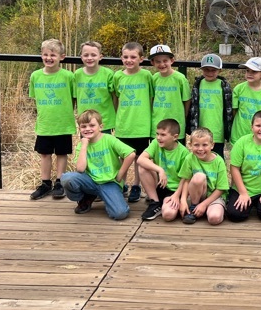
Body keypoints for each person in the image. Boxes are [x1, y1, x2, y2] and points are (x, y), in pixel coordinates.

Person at [60, 109, 135, 220]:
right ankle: (85, 197)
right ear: (79, 129)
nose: (88, 129)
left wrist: (120, 175)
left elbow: (130, 154)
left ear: (100, 126)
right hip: (90, 181)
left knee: (120, 214)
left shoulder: (109, 139)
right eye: (83, 126)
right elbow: (80, 169)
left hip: (109, 182)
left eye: (92, 125)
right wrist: (84, 146)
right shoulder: (82, 145)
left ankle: (110, 197)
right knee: (67, 178)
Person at [29, 38, 76, 200]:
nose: (49, 58)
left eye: (53, 55)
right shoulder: (35, 76)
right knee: (44, 154)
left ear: (61, 57)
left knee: (62, 153)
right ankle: (45, 183)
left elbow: (74, 97)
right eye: (45, 54)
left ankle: (59, 182)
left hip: (63, 123)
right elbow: (34, 98)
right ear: (41, 55)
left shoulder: (68, 76)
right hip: (44, 123)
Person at [113, 42, 153, 204]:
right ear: (121, 57)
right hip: (124, 125)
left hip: (142, 125)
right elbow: (115, 98)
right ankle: (122, 184)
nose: (129, 60)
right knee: (123, 157)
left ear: (141, 59)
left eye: (133, 57)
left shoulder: (146, 76)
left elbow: (151, 98)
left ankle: (136, 185)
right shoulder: (118, 76)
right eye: (125, 57)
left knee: (139, 158)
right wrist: (120, 116)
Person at [137, 119, 190, 221]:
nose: (158, 138)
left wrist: (177, 195)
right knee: (143, 166)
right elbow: (140, 159)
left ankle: (167, 205)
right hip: (160, 184)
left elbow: (185, 178)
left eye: (163, 135)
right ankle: (155, 202)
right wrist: (160, 170)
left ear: (175, 137)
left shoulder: (184, 153)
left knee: (168, 215)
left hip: (174, 190)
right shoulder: (155, 143)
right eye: (157, 134)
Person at [178, 127, 229, 225]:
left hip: (215, 196)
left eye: (205, 145)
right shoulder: (189, 158)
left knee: (214, 218)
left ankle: (208, 209)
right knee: (199, 177)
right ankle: (194, 207)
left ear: (212, 145)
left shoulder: (219, 161)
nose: (200, 149)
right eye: (196, 145)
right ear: (190, 145)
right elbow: (186, 180)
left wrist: (204, 204)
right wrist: (183, 200)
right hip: (198, 195)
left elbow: (221, 188)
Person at [188, 53, 232, 159]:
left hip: (217, 131)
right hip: (200, 129)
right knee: (199, 157)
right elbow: (193, 106)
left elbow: (229, 109)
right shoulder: (198, 84)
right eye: (206, 69)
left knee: (217, 158)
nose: (210, 73)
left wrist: (228, 128)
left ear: (219, 70)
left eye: (213, 70)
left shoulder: (223, 86)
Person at [149, 44, 190, 145]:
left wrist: (183, 116)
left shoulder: (180, 78)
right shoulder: (154, 78)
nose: (162, 64)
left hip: (175, 123)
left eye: (165, 61)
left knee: (176, 153)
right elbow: (152, 98)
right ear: (152, 62)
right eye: (158, 61)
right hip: (157, 122)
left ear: (172, 60)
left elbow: (187, 100)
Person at [230, 57, 261, 145]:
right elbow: (234, 111)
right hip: (239, 133)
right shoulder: (239, 89)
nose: (249, 74)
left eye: (254, 71)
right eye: (247, 71)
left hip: (259, 134)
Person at [75, 41, 116, 134]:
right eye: (86, 55)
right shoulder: (77, 74)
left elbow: (114, 96)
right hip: (85, 122)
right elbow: (75, 97)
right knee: (87, 147)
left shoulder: (108, 74)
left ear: (100, 57)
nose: (89, 58)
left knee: (104, 147)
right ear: (81, 57)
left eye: (93, 55)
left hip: (104, 121)